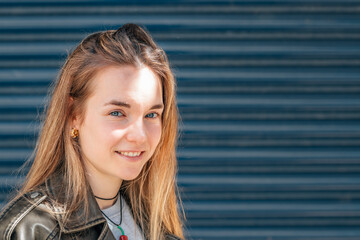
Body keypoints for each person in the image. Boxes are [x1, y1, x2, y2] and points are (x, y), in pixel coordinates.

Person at [0, 23, 184, 240]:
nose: (140, 136)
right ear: (73, 116)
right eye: (117, 113)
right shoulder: (33, 231)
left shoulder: (154, 227)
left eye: (151, 115)